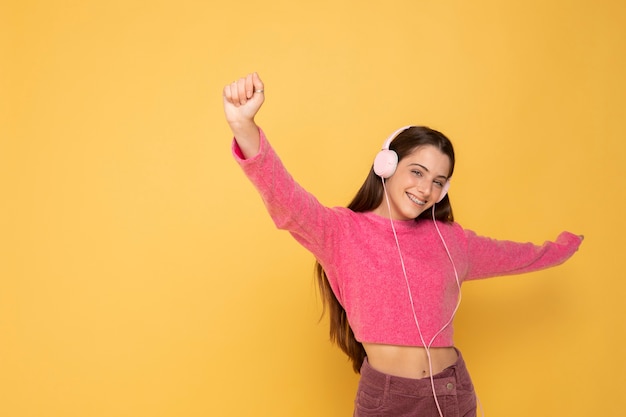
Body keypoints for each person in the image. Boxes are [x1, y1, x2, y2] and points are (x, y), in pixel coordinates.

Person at [222, 72, 583, 417]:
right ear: (386, 165)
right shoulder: (341, 232)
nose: (426, 189)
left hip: (452, 394)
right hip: (386, 401)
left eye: (439, 181)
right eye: (417, 172)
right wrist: (244, 128)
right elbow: (286, 199)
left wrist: (564, 246)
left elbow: (515, 256)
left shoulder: (451, 240)